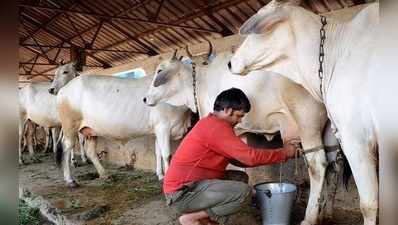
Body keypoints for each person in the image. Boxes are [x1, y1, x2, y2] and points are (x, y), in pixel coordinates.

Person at [164, 88, 300, 225]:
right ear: (228, 110)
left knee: (239, 178)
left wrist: (264, 156)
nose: (239, 121)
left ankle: (203, 218)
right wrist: (284, 153)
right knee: (244, 192)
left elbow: (240, 159)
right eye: (239, 116)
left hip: (190, 187)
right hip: (182, 194)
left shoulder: (211, 123)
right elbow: (250, 157)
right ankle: (191, 218)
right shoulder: (216, 127)